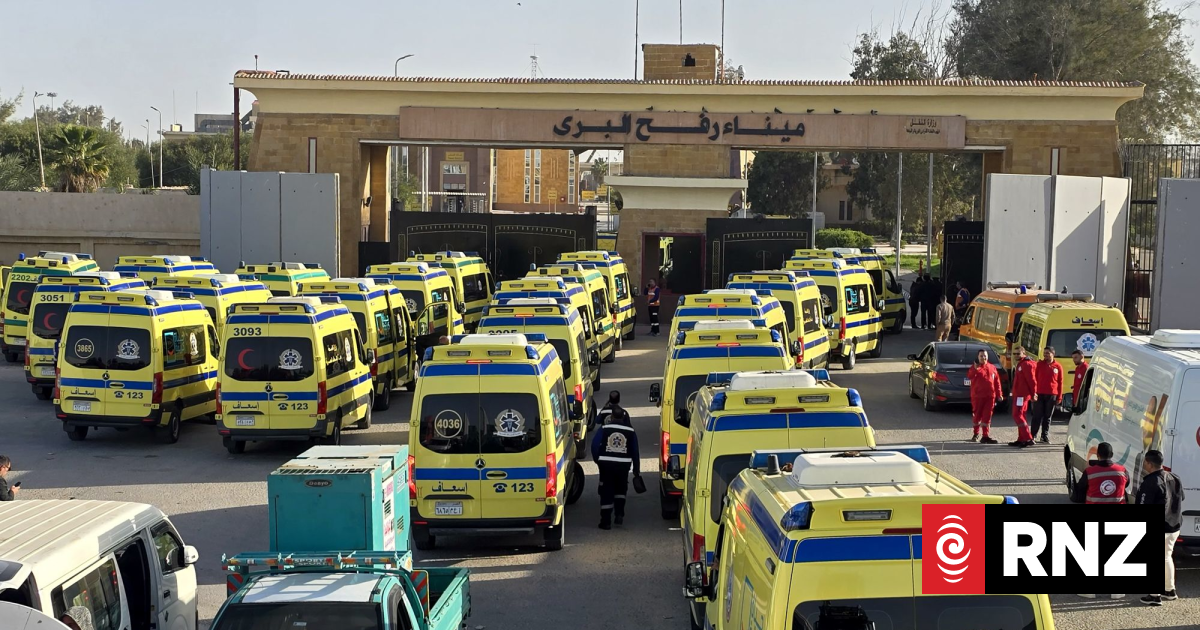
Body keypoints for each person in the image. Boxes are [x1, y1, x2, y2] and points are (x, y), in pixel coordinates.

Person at [1138, 450, 1184, 606]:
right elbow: (1181, 497)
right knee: (1166, 557)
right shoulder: (1174, 477)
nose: (1144, 464)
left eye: (1145, 462)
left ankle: (1154, 595)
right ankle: (1169, 590)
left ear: (1149, 463)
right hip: (1174, 525)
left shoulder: (1150, 482)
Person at [591, 405, 641, 529]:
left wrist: (598, 460)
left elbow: (594, 445)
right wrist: (636, 469)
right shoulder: (630, 431)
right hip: (623, 465)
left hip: (606, 465)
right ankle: (619, 515)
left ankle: (606, 522)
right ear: (623, 417)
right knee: (621, 489)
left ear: (612, 416)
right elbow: (635, 451)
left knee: (606, 490)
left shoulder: (604, 428)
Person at [967, 349, 1003, 443]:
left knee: (987, 416)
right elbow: (970, 376)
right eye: (981, 356)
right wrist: (975, 368)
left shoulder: (992, 367)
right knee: (977, 416)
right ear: (978, 357)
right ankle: (976, 434)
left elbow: (997, 382)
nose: (983, 357)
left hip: (990, 397)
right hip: (977, 397)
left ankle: (985, 436)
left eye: (985, 355)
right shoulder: (975, 367)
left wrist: (999, 394)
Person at [1030, 347, 1062, 444]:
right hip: (1039, 394)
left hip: (1052, 395)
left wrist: (1059, 397)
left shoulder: (1058, 366)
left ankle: (1044, 436)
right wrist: (1033, 393)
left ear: (1053, 354)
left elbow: (1060, 382)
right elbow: (1034, 379)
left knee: (1047, 417)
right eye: (1044, 353)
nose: (1045, 355)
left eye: (1048, 353)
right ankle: (1032, 435)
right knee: (1037, 416)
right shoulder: (1039, 365)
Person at [1008, 346, 1037, 447]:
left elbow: (1032, 381)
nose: (1016, 355)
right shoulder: (1021, 363)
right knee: (1021, 415)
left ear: (1023, 353)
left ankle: (1028, 438)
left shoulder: (1026, 364)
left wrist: (1033, 393)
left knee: (1017, 415)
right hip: (1019, 394)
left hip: (1022, 395)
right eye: (1014, 354)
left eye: (1018, 353)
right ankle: (1021, 439)